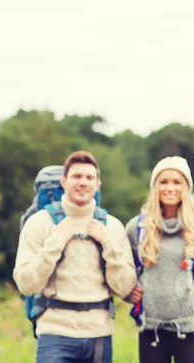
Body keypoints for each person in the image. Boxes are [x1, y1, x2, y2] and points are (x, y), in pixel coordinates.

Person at [13, 150, 137, 363]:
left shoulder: (112, 227)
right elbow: (26, 284)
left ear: (98, 184)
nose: (83, 183)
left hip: (99, 334)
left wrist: (108, 244)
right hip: (55, 333)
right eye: (77, 176)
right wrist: (55, 241)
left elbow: (125, 287)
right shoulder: (40, 223)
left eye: (89, 177)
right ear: (64, 181)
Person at [126, 156, 194, 363]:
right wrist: (128, 290)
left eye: (177, 182)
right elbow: (121, 268)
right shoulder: (137, 228)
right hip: (151, 330)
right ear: (154, 187)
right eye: (163, 182)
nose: (170, 188)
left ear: (186, 187)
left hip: (191, 329)